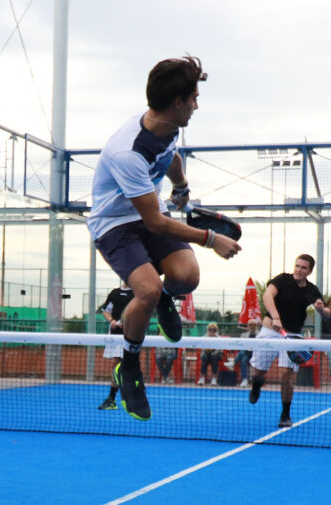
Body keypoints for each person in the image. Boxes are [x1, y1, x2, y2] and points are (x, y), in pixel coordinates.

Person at [87, 56, 241, 421]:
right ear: (178, 102)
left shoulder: (168, 125)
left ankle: (163, 301)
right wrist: (210, 239)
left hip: (149, 208)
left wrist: (182, 186)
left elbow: (170, 157)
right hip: (114, 223)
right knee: (147, 289)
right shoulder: (128, 152)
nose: (197, 105)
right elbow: (155, 223)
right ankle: (129, 365)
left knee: (187, 278)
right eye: (194, 97)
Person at [249, 254, 330, 427]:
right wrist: (276, 318)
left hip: (292, 337)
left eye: (303, 268)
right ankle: (256, 385)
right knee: (258, 372)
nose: (299, 270)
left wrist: (322, 309)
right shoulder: (283, 279)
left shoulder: (311, 290)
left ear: (309, 271)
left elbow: (326, 314)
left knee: (287, 374)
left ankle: (285, 414)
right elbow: (267, 296)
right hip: (270, 331)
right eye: (297, 266)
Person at [97, 282, 135, 410]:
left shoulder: (136, 293)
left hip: (131, 334)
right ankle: (112, 398)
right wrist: (112, 321)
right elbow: (105, 311)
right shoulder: (114, 293)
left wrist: (127, 322)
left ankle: (128, 396)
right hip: (115, 335)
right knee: (117, 364)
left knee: (126, 365)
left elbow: (140, 311)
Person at [235, 317, 258, 386]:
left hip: (257, 355)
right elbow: (240, 346)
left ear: (256, 326)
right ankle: (245, 380)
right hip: (246, 354)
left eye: (254, 325)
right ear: (247, 326)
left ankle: (233, 362)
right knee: (244, 358)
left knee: (242, 353)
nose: (252, 326)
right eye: (250, 325)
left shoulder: (260, 335)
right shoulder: (243, 335)